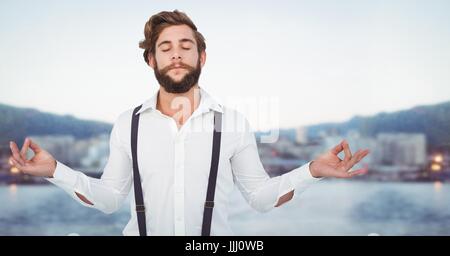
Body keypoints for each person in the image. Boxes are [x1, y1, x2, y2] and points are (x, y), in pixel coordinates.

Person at [8, 10, 370, 236]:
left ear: (202, 57)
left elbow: (261, 199)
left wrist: (313, 170)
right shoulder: (127, 124)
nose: (176, 53)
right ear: (151, 60)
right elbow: (108, 199)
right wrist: (55, 170)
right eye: (165, 47)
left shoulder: (232, 123)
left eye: (186, 45)